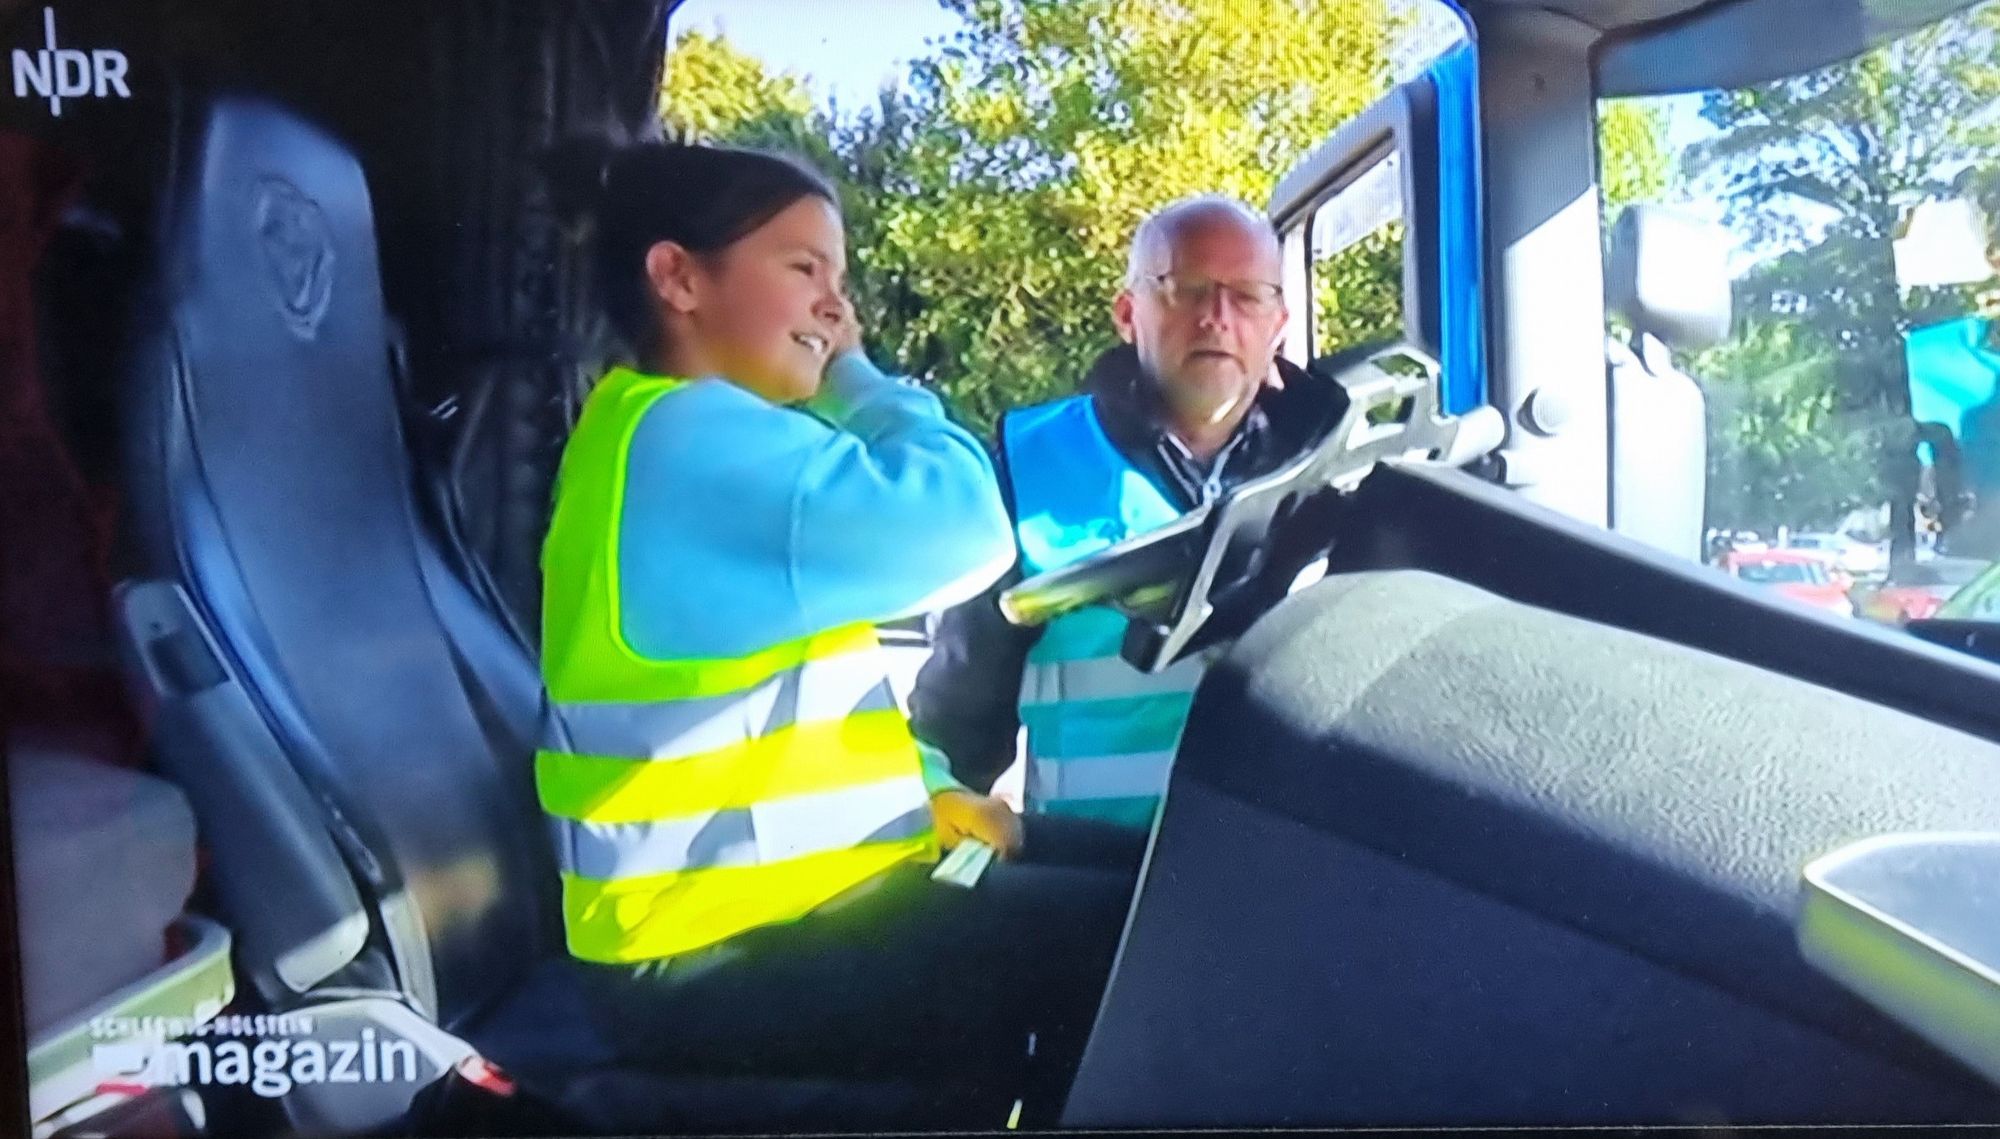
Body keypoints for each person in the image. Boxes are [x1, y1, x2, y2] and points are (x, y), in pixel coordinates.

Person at [538, 138, 1130, 1125]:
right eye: (803, 268)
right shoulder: (690, 438)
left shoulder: (670, 436)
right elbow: (966, 528)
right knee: (1156, 939)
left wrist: (936, 792)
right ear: (678, 277)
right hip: (710, 956)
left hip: (768, 912)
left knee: (1161, 871)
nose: (834, 307)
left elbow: (800, 707)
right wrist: (861, 377)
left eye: (839, 280)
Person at [911, 195, 1349, 850]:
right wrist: (940, 805)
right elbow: (951, 725)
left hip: (1299, 873)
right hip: (1103, 889)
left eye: (1247, 296)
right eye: (1186, 290)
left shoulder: (1349, 468)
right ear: (1127, 313)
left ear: (1279, 323)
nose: (1217, 317)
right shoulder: (1028, 471)